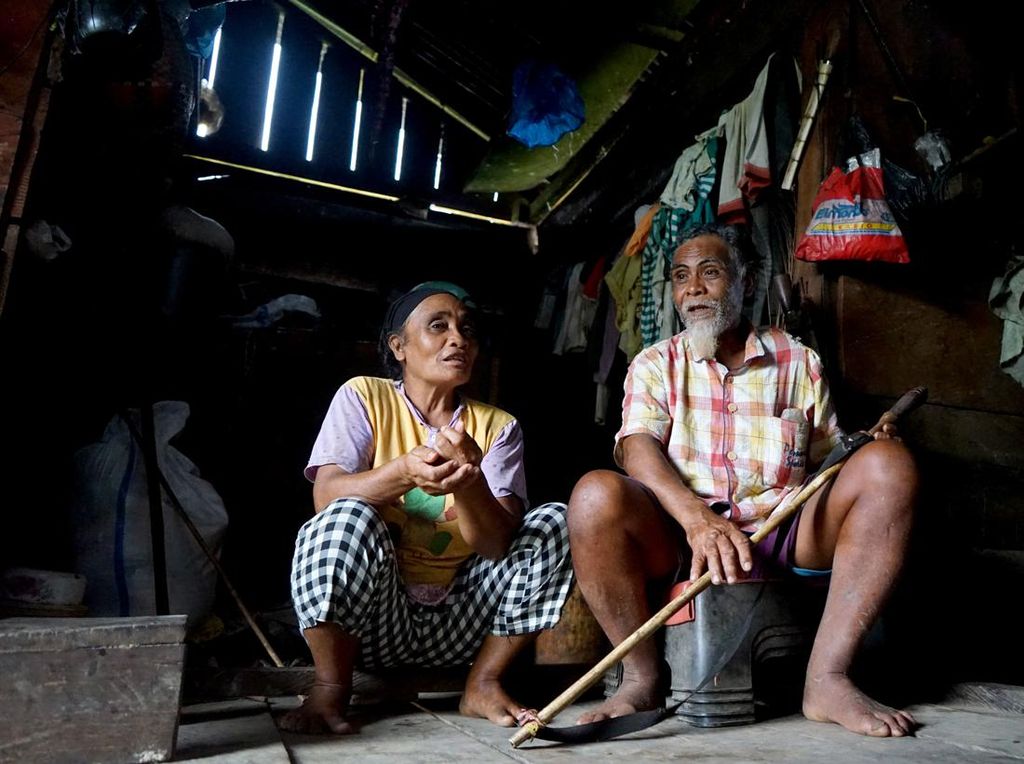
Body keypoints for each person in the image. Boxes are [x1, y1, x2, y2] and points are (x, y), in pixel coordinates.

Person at [568, 223, 919, 737]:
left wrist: (866, 449)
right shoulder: (654, 364)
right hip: (680, 533)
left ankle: (827, 678)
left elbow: (827, 467)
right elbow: (636, 447)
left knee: (890, 465)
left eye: (710, 274)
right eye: (681, 277)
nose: (692, 289)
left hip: (784, 528)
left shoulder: (798, 360)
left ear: (745, 284)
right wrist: (696, 519)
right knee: (594, 495)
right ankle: (639, 680)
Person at [280, 281, 573, 734]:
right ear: (399, 346)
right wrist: (403, 473)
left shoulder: (498, 427)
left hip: (465, 621)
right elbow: (326, 495)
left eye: (466, 330)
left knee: (553, 521)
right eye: (439, 326)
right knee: (345, 517)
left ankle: (484, 681)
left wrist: (469, 483)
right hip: (375, 622)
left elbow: (498, 546)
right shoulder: (364, 396)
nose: (459, 339)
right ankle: (330, 685)